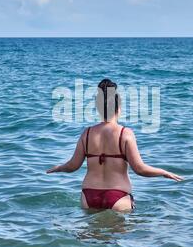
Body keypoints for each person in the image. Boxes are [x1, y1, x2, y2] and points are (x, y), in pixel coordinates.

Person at [47, 79, 184, 211]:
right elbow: (140, 169)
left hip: (89, 196)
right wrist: (163, 172)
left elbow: (73, 166)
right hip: (118, 198)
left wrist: (58, 168)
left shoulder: (87, 133)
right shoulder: (125, 134)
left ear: (98, 108)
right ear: (118, 108)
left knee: (90, 234)